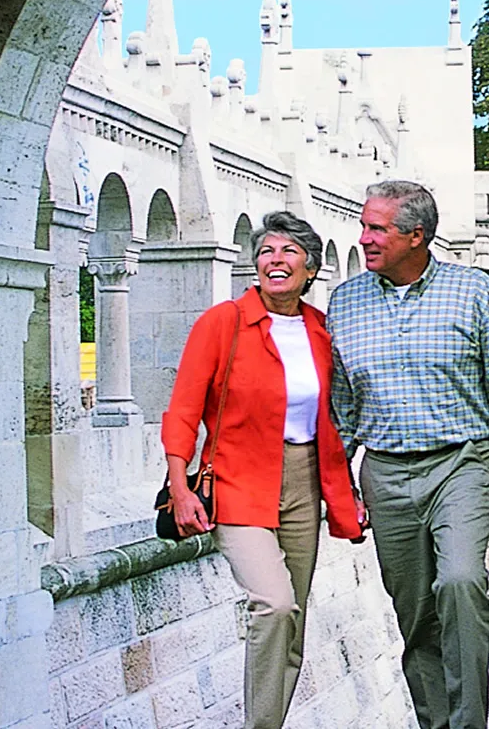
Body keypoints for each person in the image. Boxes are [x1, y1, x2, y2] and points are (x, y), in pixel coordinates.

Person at [327, 179, 489, 729]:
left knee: (461, 582)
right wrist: (338, 485)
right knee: (416, 614)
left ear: (416, 236)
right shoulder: (345, 302)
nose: (365, 238)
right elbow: (343, 407)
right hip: (385, 474)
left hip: (460, 464)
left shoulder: (475, 293)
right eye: (364, 225)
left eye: (377, 228)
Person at [161, 211, 364, 729]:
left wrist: (351, 490)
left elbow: (339, 416)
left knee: (294, 618)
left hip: (305, 480)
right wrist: (179, 485)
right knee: (273, 605)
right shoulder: (222, 323)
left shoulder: (323, 331)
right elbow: (183, 409)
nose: (275, 260)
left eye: (289, 251)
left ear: (311, 268)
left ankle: (269, 722)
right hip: (236, 478)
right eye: (267, 251)